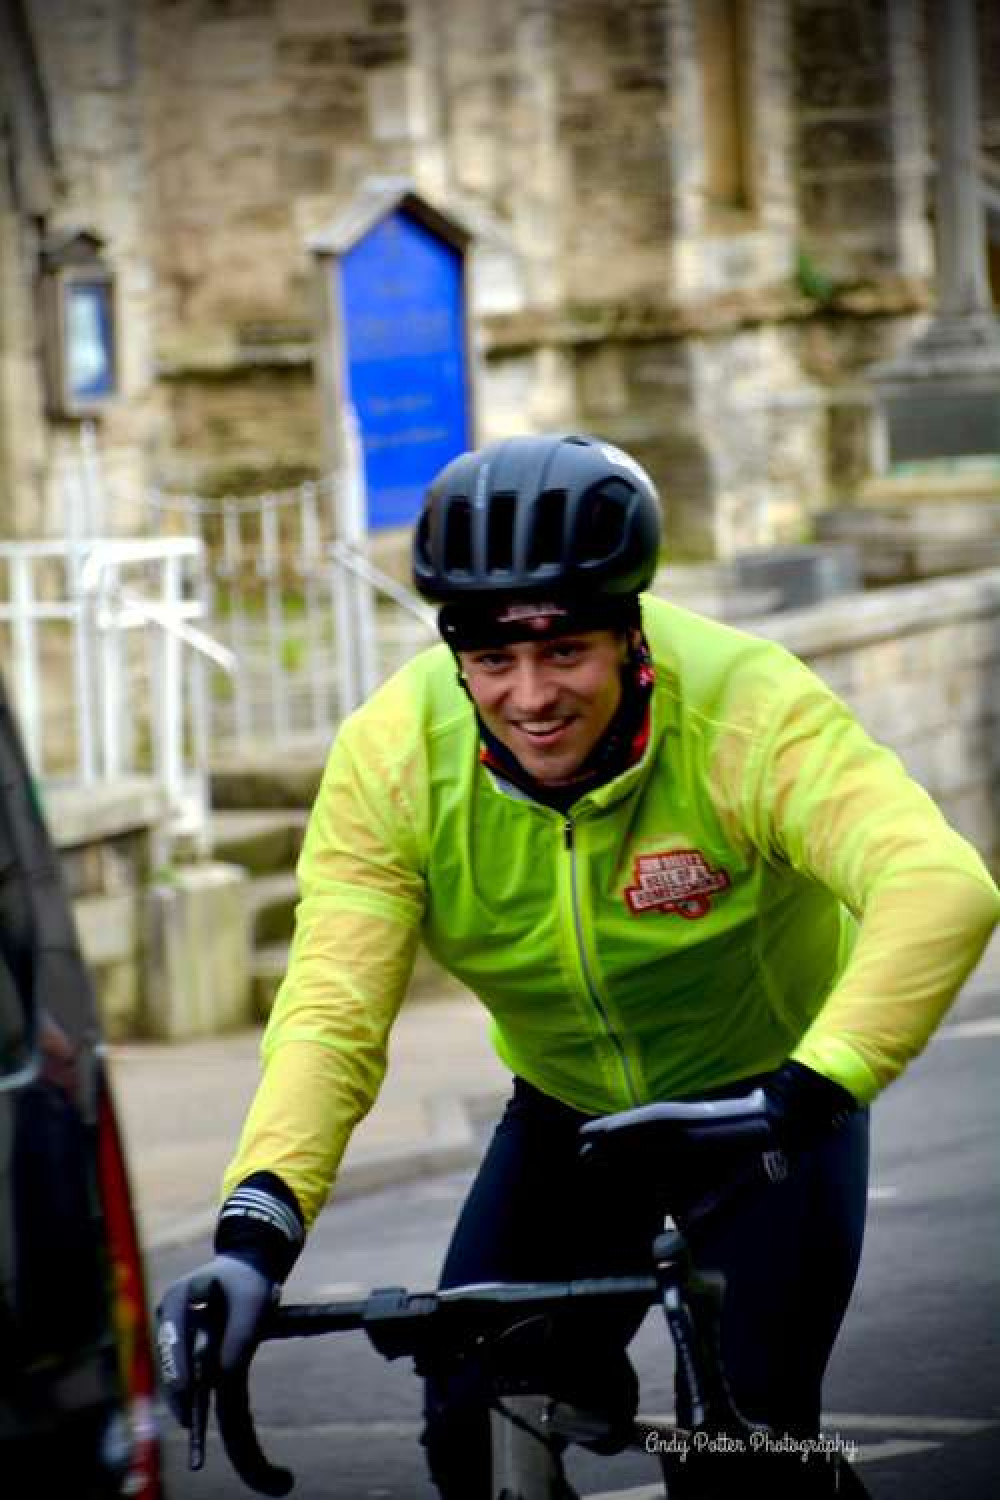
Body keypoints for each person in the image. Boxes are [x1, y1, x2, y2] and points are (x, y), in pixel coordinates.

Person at [157, 433, 1000, 1497]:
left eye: (565, 651)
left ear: (630, 631)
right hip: (570, 1115)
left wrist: (812, 1089)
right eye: (492, 659)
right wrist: (255, 1229)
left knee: (748, 1461)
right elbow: (331, 1010)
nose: (528, 695)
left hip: (763, 1109)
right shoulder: (395, 757)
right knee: (471, 1416)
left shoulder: (744, 707)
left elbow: (938, 886)